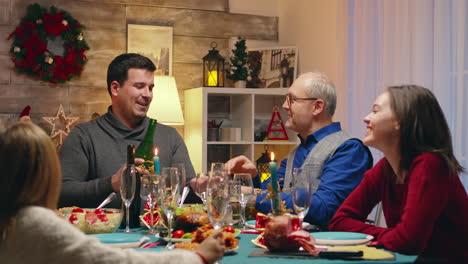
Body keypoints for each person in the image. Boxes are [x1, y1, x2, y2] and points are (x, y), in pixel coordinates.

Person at [0, 122, 224, 264]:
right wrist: (197, 257)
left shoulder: (11, 221)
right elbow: (116, 262)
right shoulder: (36, 223)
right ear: (46, 173)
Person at [329, 85, 468, 263]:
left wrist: (388, 237)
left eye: (375, 111)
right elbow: (339, 221)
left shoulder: (430, 164)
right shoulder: (385, 168)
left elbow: (408, 243)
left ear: (400, 121)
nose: (366, 118)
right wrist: (392, 235)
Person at [225, 72, 373, 228]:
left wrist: (251, 195)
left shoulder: (349, 150)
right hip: (291, 242)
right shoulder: (297, 151)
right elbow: (272, 193)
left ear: (317, 107)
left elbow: (324, 210)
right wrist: (253, 176)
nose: (284, 105)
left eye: (292, 99)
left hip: (329, 246)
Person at [59, 53, 199, 208]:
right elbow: (62, 193)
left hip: (156, 232)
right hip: (102, 231)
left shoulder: (170, 137)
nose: (147, 95)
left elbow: (186, 196)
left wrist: (201, 188)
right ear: (115, 88)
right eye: (139, 86)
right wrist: (111, 183)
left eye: (150, 88)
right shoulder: (84, 136)